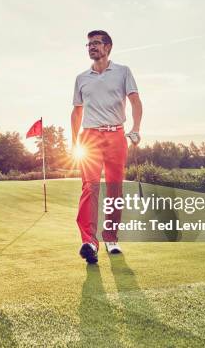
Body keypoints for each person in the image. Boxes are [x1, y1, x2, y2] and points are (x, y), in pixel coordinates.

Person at [71, 30, 143, 264]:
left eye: (96, 43)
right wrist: (73, 142)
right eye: (89, 44)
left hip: (116, 135)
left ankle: (111, 238)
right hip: (89, 138)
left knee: (115, 190)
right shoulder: (82, 78)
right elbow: (77, 111)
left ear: (108, 47)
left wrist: (136, 127)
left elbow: (134, 100)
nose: (91, 47)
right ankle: (89, 241)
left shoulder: (123, 72)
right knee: (89, 188)